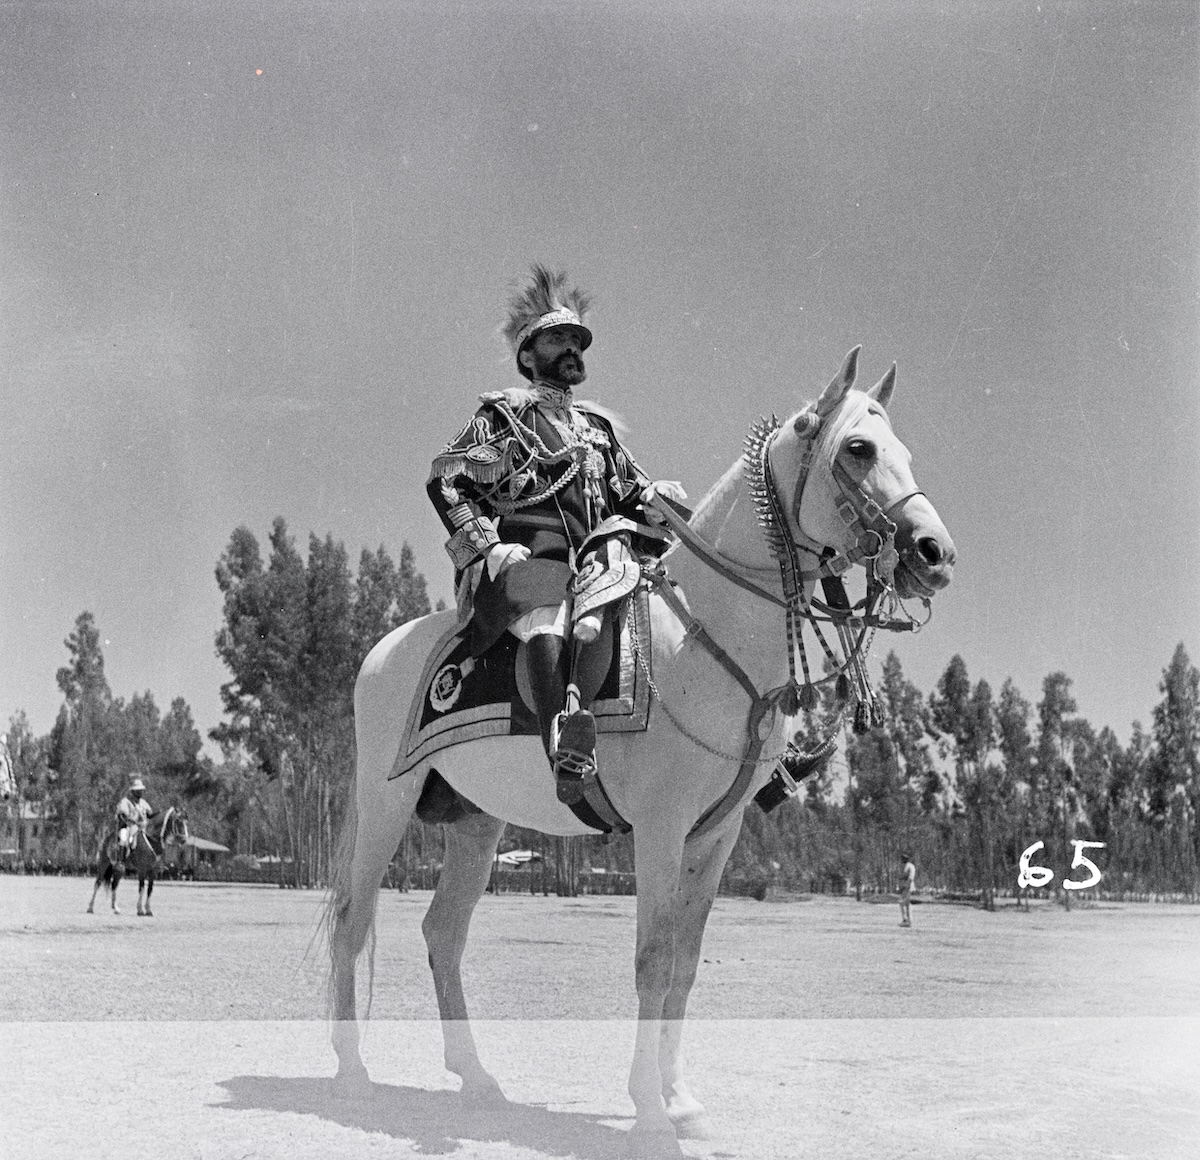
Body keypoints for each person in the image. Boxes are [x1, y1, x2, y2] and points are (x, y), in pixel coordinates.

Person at [427, 264, 685, 803]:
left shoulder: (598, 429)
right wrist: (489, 547)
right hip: (530, 560)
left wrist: (656, 497)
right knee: (547, 607)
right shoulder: (504, 419)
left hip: (599, 558)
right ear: (528, 354)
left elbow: (630, 490)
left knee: (674, 606)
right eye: (558, 339)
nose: (572, 349)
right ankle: (562, 748)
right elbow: (446, 479)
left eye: (577, 340)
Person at [115, 778, 154, 860]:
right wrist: (131, 820)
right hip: (129, 827)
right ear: (133, 791)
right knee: (123, 838)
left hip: (143, 827)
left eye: (141, 790)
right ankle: (121, 861)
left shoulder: (143, 802)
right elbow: (123, 814)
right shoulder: (125, 801)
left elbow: (150, 813)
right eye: (138, 790)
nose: (140, 792)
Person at [899, 852, 916, 927]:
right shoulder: (904, 866)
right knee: (906, 904)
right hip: (904, 887)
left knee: (903, 903)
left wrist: (906, 886)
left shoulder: (910, 866)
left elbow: (911, 878)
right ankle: (908, 920)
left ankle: (906, 920)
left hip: (908, 888)